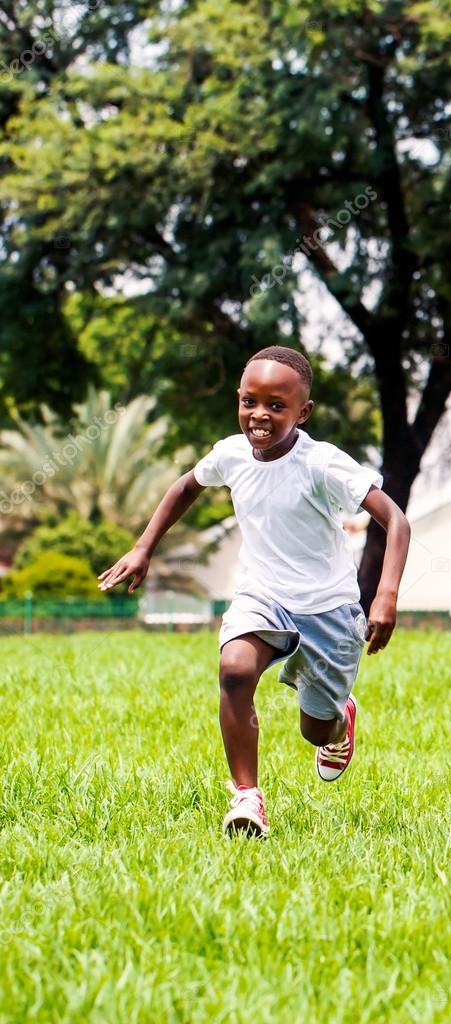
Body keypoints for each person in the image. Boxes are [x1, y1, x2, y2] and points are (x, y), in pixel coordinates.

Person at [99, 346, 410, 837]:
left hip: (328, 609)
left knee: (315, 728)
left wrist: (386, 595)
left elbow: (396, 520)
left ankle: (339, 719)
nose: (259, 415)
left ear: (303, 412)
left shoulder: (322, 464)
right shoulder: (231, 454)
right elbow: (186, 485)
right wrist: (143, 547)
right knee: (235, 670)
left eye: (276, 405)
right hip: (262, 595)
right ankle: (247, 798)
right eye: (249, 401)